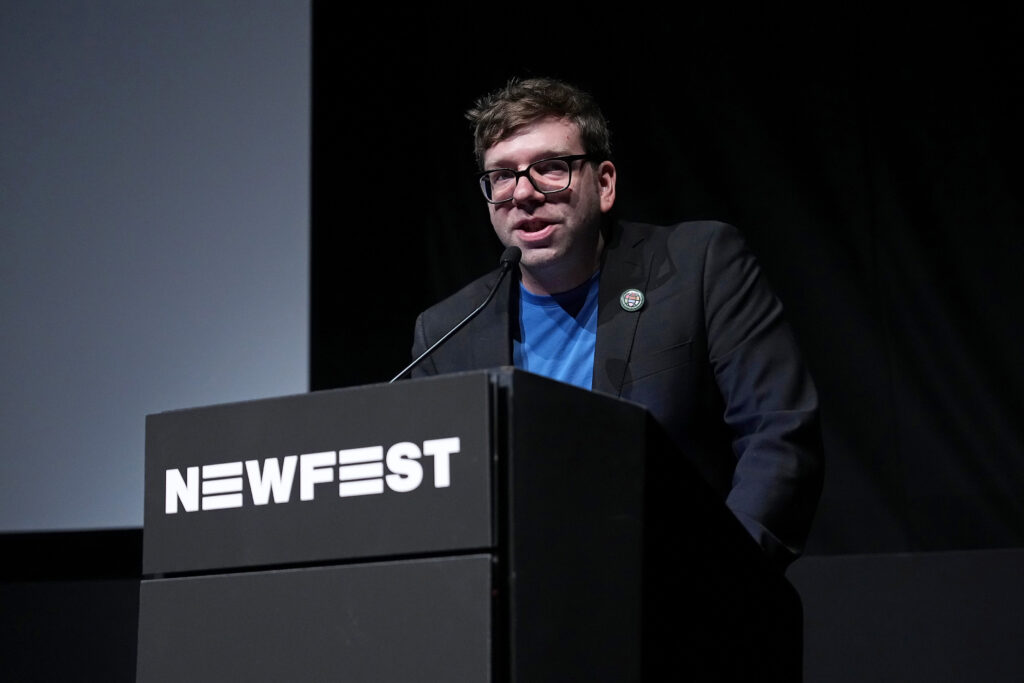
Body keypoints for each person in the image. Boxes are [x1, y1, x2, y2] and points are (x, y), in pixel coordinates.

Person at [409, 77, 823, 570]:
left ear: (604, 183)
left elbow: (777, 432)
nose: (522, 193)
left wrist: (727, 578)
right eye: (501, 176)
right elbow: (431, 500)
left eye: (549, 168)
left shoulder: (698, 266)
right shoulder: (446, 331)